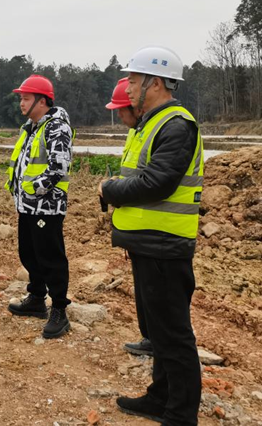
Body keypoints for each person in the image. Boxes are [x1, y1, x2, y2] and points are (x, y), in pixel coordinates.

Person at [100, 46, 203, 425]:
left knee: (173, 334)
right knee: (158, 332)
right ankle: (161, 397)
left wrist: (108, 189)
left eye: (132, 80)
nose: (127, 87)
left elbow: (156, 183)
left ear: (155, 83)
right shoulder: (152, 123)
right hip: (148, 243)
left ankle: (181, 414)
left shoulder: (176, 125)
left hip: (165, 246)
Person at [5, 75, 75, 339]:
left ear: (42, 101)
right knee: (29, 253)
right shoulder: (31, 127)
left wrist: (34, 190)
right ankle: (36, 298)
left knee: (50, 257)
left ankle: (59, 310)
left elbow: (58, 167)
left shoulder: (57, 127)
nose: (21, 103)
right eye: (21, 98)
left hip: (47, 206)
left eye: (26, 98)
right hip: (27, 205)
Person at [106, 77, 154, 357]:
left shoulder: (159, 131)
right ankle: (150, 339)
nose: (119, 117)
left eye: (121, 110)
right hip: (138, 228)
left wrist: (110, 189)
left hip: (155, 230)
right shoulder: (136, 132)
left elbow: (150, 183)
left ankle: (160, 346)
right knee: (144, 291)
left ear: (135, 108)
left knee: (158, 296)